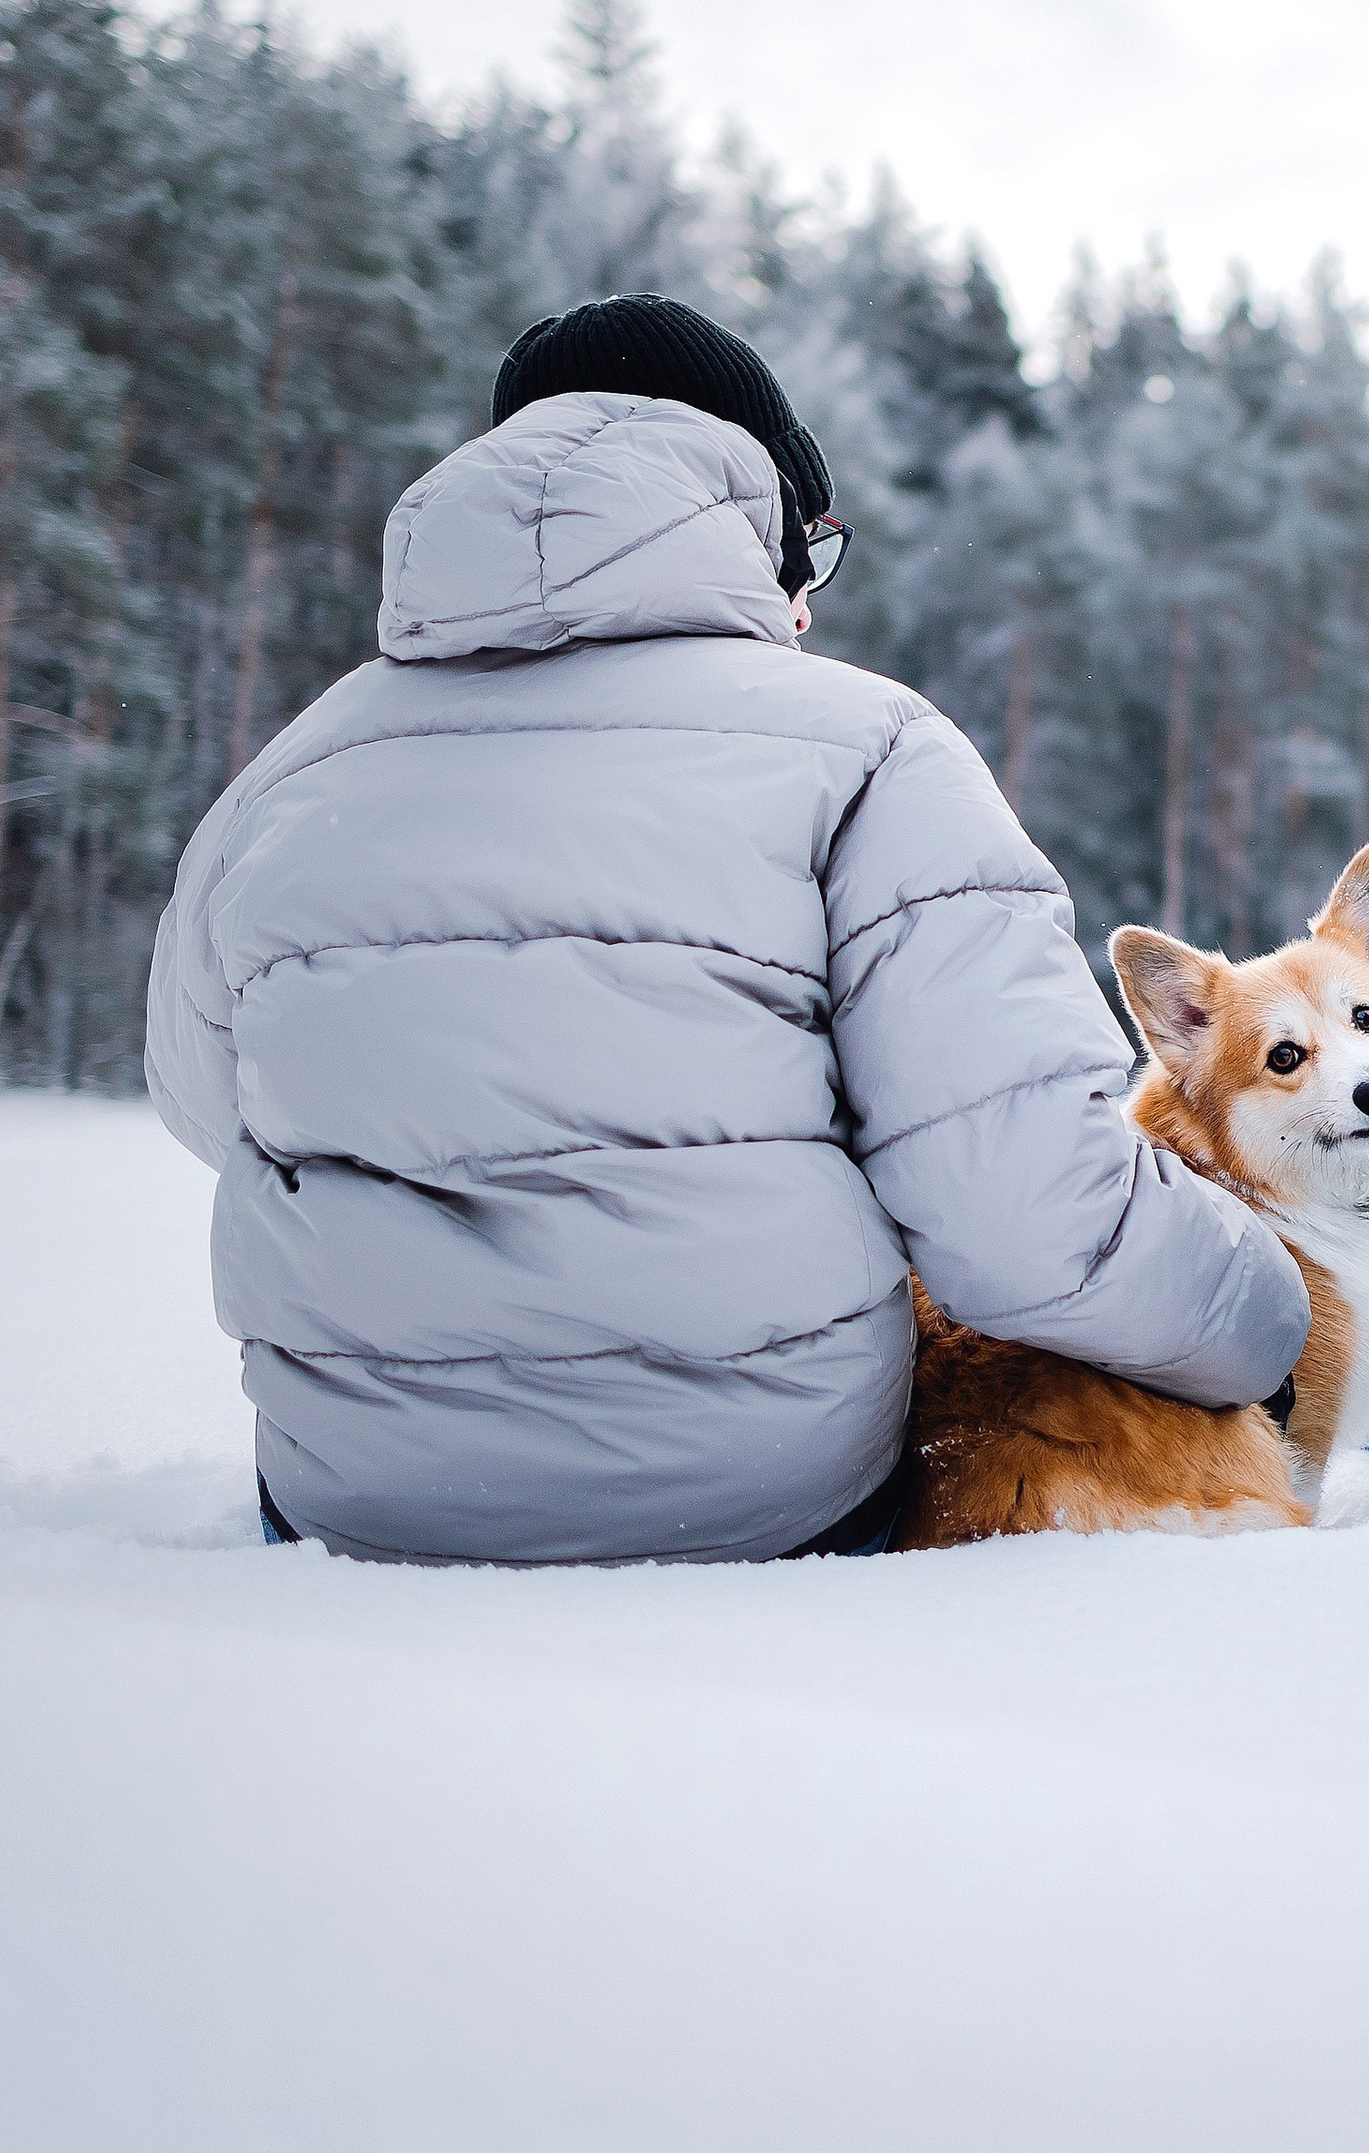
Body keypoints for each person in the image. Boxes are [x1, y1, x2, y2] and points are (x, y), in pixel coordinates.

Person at [146, 294, 1307, 1563]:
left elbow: (211, 1103)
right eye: (808, 553)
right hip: (759, 1500)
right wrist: (1269, 1318)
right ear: (751, 520)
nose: (806, 608)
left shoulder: (291, 773)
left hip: (347, 1502)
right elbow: (1028, 1216)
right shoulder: (872, 752)